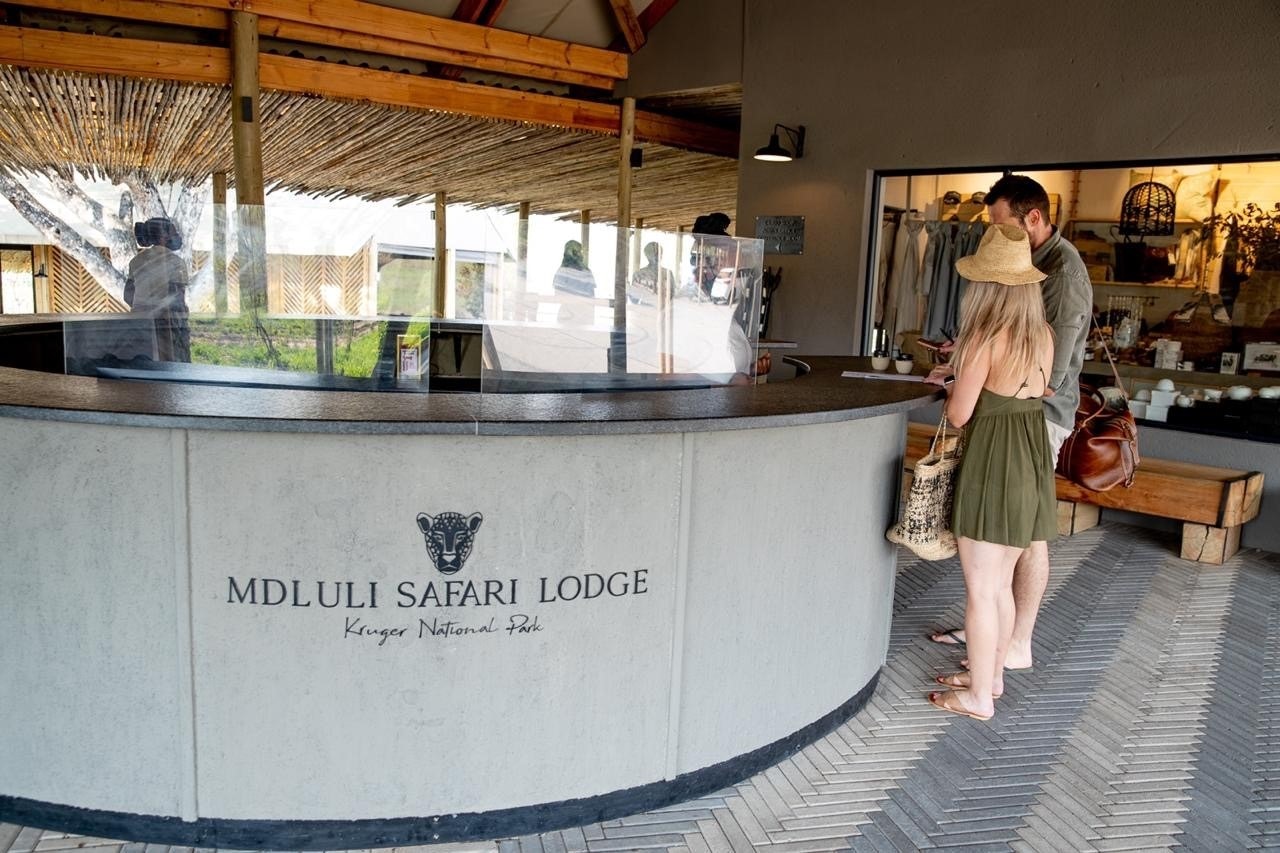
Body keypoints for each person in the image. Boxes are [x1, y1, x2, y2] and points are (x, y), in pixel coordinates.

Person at [925, 175, 1091, 671]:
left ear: (1033, 218)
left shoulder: (1063, 274)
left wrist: (975, 367)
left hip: (1032, 421)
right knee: (1007, 546)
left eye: (1002, 225)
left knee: (1024, 539)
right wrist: (972, 355)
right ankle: (994, 641)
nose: (995, 233)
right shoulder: (1033, 277)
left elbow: (1048, 381)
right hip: (1015, 416)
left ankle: (1016, 642)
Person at [924, 223, 1056, 720]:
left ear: (986, 285)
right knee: (1000, 585)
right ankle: (991, 677)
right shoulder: (1042, 335)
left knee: (982, 590)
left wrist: (950, 382)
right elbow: (1028, 393)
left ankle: (979, 698)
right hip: (1029, 461)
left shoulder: (984, 337)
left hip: (993, 462)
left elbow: (960, 415)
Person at [125, 216, 190, 362]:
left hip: (138, 323)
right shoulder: (175, 262)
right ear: (163, 236)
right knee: (169, 365)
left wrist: (143, 310)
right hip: (165, 324)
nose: (178, 236)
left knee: (145, 365)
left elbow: (128, 295)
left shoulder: (136, 260)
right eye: (174, 233)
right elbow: (177, 299)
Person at [629, 241, 674, 305]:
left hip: (662, 308)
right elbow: (634, 299)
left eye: (658, 253)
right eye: (653, 253)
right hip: (646, 309)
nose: (656, 256)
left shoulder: (668, 273)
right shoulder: (638, 274)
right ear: (647, 255)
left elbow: (672, 297)